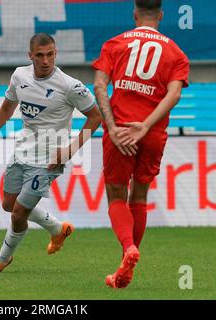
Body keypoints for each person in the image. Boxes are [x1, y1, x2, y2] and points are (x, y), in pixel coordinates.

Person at [0, 33, 102, 273]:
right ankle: (58, 229)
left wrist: (70, 150)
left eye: (50, 54)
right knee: (9, 204)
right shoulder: (19, 76)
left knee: (18, 214)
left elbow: (96, 116)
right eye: (40, 55)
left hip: (49, 160)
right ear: (31, 56)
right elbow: (5, 110)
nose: (46, 60)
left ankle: (3, 258)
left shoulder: (70, 86)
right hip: (22, 151)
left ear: (56, 53)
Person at [92, 0, 189, 288]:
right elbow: (174, 95)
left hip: (120, 131)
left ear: (135, 14)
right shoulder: (176, 52)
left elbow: (99, 84)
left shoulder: (115, 44)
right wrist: (146, 126)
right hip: (152, 134)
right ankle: (126, 269)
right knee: (140, 195)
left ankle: (128, 249)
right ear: (160, 15)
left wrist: (112, 128)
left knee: (116, 193)